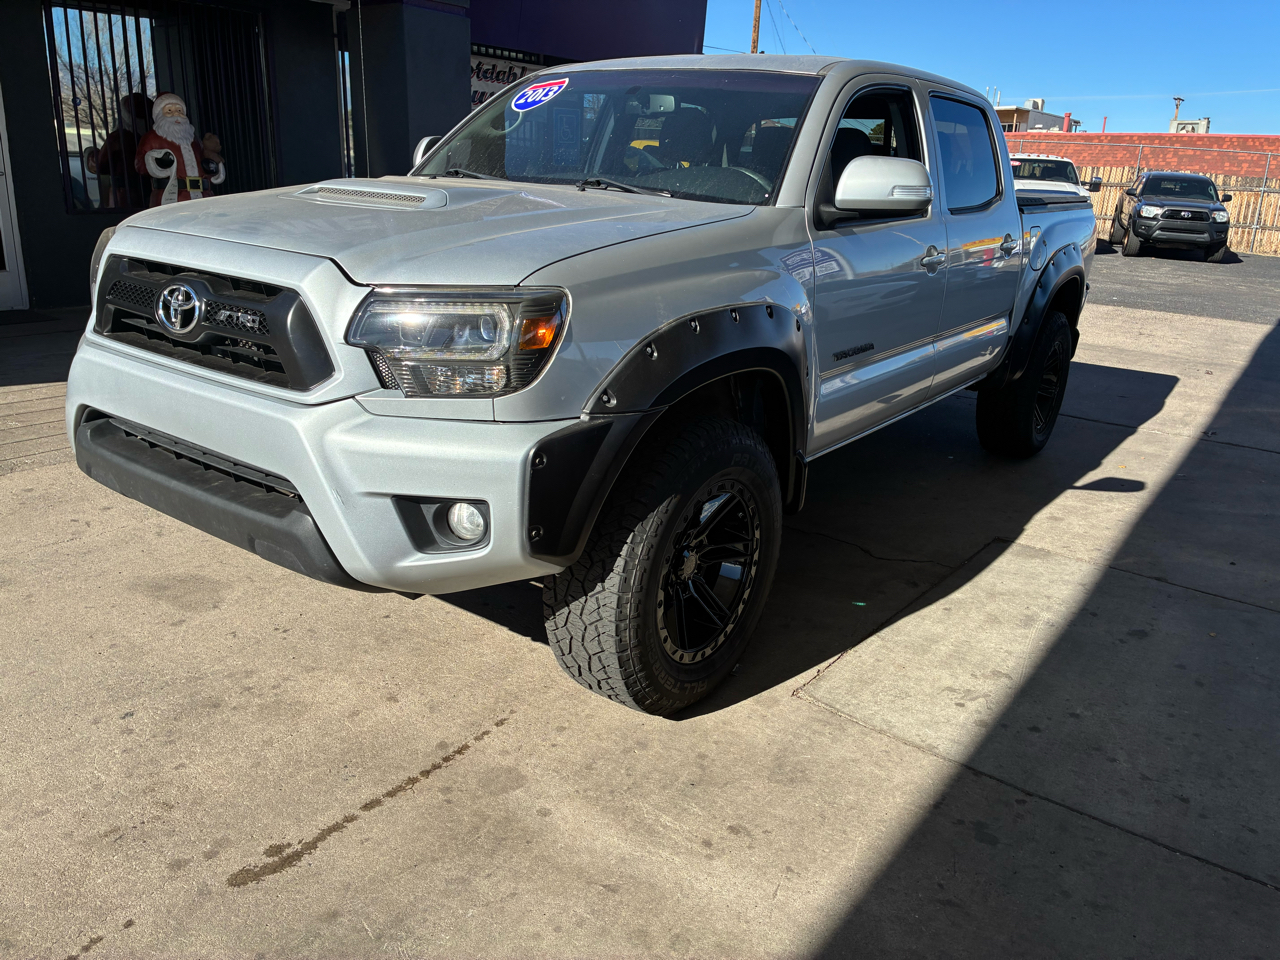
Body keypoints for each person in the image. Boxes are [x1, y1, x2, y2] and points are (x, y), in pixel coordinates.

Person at [133, 92, 225, 206]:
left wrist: (212, 160)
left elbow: (203, 165)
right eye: (169, 111)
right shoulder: (152, 138)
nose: (176, 114)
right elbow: (140, 164)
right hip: (172, 197)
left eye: (179, 111)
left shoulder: (193, 139)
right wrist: (156, 160)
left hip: (201, 196)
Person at [94, 92, 151, 208]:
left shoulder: (117, 137)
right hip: (149, 190)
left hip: (123, 192)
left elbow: (101, 165)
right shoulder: (155, 135)